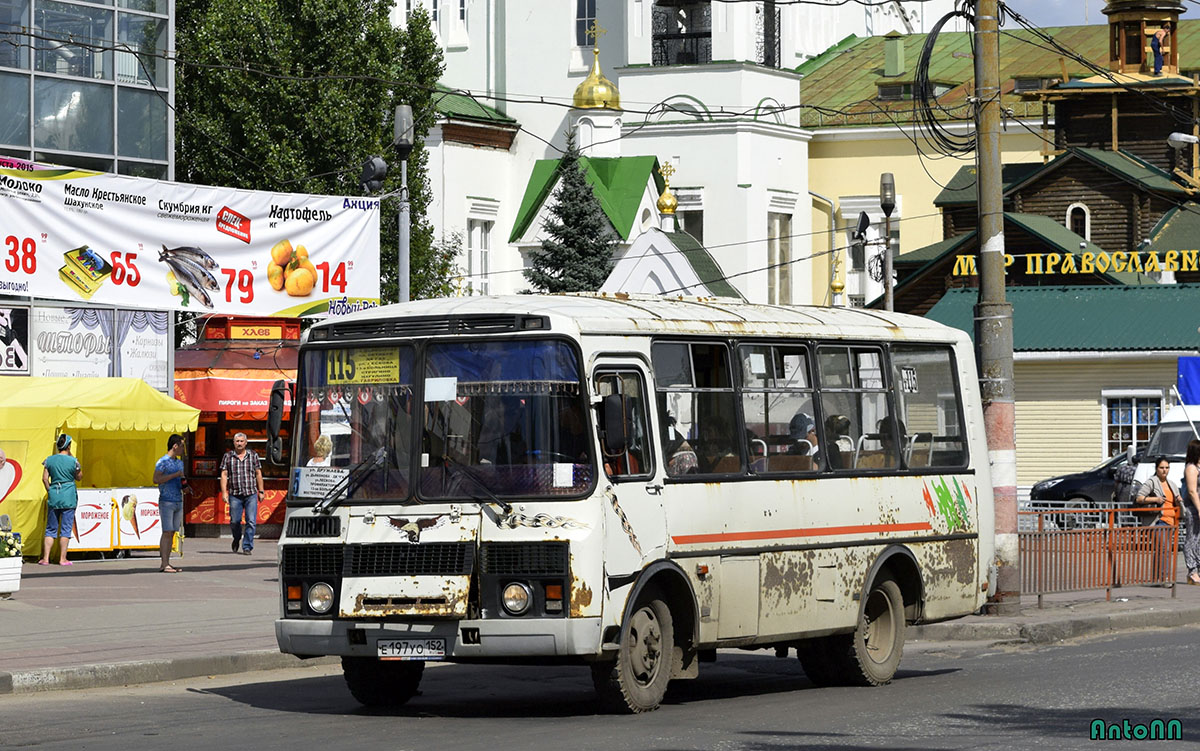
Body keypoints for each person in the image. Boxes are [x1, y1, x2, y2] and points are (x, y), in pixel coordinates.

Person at [1135, 455, 1181, 584]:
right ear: (1156, 468)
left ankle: (1157, 578)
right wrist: (1156, 499)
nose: (1164, 470)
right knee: (1164, 549)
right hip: (1158, 520)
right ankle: (1165, 577)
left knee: (1162, 550)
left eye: (1167, 467)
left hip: (1171, 521)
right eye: (1162, 468)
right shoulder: (1152, 482)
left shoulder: (1171, 484)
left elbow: (1174, 501)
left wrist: (1178, 501)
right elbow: (1139, 498)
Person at [39, 433, 81, 566]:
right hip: (68, 496)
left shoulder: (49, 460)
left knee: (50, 528)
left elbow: (45, 478)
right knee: (66, 528)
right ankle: (62, 559)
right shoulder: (73, 461)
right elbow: (79, 477)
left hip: (54, 494)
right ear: (68, 446)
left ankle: (46, 558)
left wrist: (49, 490)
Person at [220, 432, 264, 555]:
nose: (239, 443)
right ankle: (236, 538)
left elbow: (258, 473)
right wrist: (224, 492)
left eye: (241, 441)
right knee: (235, 521)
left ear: (246, 442)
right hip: (235, 494)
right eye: (237, 441)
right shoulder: (228, 456)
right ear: (233, 443)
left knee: (251, 521)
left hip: (251, 493)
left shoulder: (253, 455)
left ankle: (247, 546)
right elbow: (224, 474)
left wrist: (261, 491)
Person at [153, 434, 186, 573]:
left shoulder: (179, 463)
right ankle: (164, 563)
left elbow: (182, 480)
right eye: (182, 446)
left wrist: (186, 487)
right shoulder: (163, 461)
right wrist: (174, 475)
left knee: (172, 532)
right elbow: (156, 479)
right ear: (175, 446)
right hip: (166, 500)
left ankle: (167, 562)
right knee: (166, 531)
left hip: (178, 499)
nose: (183, 449)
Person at [1181, 439, 1200, 585]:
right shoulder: (1191, 468)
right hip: (1193, 508)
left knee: (1198, 539)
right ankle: (1192, 570)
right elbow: (1192, 491)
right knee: (1192, 538)